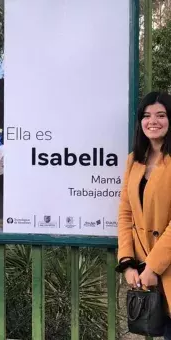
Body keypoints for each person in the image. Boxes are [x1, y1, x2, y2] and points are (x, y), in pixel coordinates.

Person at [116, 91, 171, 339]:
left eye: (161, 115)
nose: (153, 121)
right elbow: (125, 213)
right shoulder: (134, 161)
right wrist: (127, 262)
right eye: (147, 116)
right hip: (145, 272)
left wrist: (153, 266)